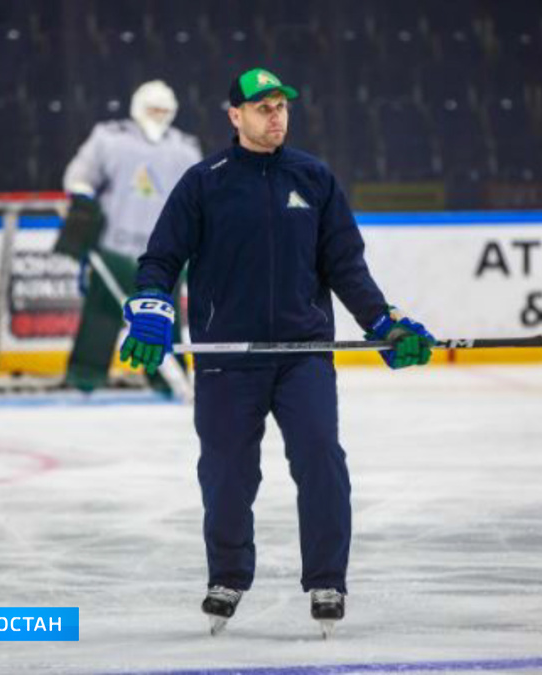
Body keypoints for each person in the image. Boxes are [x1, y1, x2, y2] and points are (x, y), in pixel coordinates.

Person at [118, 67, 436, 635]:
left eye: (281, 107)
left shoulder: (314, 178)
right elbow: (160, 260)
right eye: (262, 107)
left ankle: (327, 581)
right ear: (234, 115)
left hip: (302, 352)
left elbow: (345, 266)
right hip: (225, 357)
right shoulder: (203, 182)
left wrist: (383, 322)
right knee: (226, 474)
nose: (275, 116)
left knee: (321, 461)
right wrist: (149, 305)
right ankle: (228, 576)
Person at [55, 80, 201, 393]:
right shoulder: (109, 139)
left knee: (163, 318)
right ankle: (84, 378)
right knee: (101, 316)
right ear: (138, 108)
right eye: (153, 109)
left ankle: (165, 380)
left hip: (164, 255)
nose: (158, 116)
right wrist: (82, 196)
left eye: (164, 110)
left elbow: (198, 198)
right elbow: (79, 175)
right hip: (115, 247)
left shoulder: (184, 149)